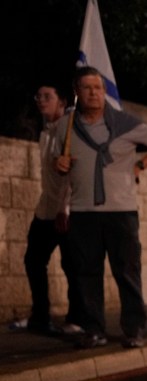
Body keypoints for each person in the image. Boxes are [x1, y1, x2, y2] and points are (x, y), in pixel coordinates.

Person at [53, 66, 147, 349]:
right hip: (83, 212)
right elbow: (63, 164)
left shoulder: (124, 123)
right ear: (77, 92)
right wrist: (59, 165)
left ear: (104, 91)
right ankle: (94, 329)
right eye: (87, 88)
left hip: (121, 211)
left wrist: (140, 165)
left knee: (127, 272)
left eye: (98, 87)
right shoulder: (65, 126)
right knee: (87, 275)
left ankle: (134, 329)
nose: (93, 93)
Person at [17, 84, 82, 336]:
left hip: (65, 210)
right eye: (38, 96)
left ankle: (77, 318)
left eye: (47, 97)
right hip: (45, 209)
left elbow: (72, 174)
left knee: (71, 265)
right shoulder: (45, 133)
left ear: (62, 101)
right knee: (33, 260)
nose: (41, 101)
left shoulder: (70, 130)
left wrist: (65, 208)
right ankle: (40, 315)